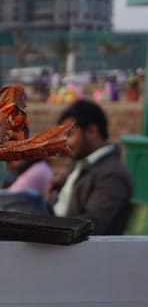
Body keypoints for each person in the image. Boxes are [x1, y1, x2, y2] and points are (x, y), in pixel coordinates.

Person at [49, 99, 133, 234]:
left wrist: (46, 225)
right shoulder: (80, 162)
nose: (64, 143)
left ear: (91, 131)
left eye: (69, 135)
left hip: (71, 242)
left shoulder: (111, 175)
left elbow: (92, 225)